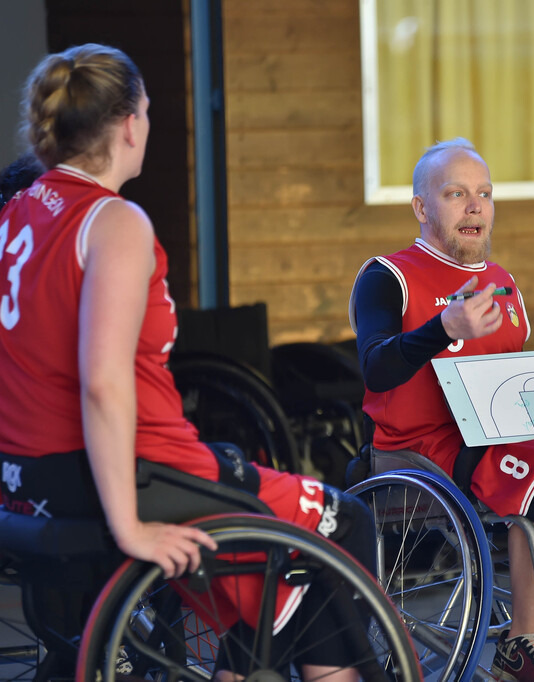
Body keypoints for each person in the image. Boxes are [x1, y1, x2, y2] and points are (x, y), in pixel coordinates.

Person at [0, 43, 373, 682]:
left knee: (253, 515)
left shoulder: (20, 210)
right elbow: (102, 382)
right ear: (128, 124)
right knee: (347, 525)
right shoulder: (113, 221)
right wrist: (131, 527)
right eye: (145, 111)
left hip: (27, 476)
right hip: (126, 469)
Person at [350, 137, 534, 682]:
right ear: (422, 208)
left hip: (494, 434)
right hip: (415, 449)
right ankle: (520, 644)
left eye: (484, 194)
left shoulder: (502, 281)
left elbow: (510, 383)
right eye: (455, 193)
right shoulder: (387, 275)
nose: (475, 206)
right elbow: (376, 368)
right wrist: (441, 329)